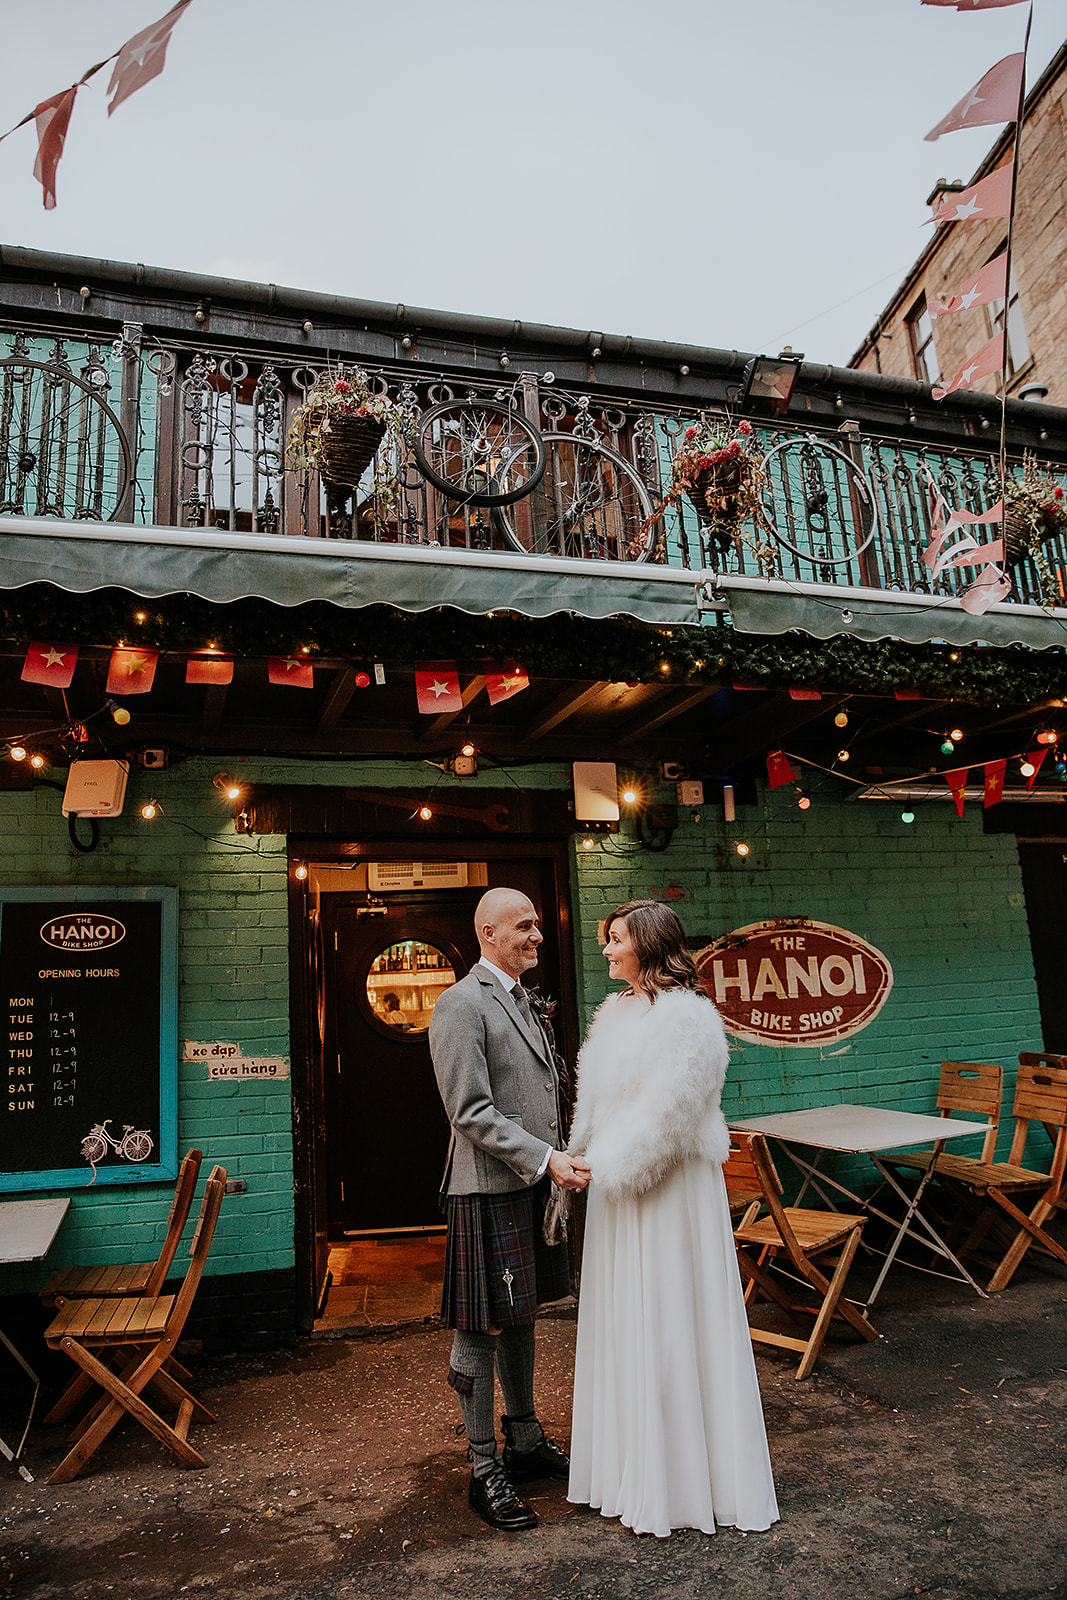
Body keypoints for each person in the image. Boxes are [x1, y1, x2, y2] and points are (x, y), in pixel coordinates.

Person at [566, 900, 779, 1539]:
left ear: (650, 946)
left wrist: (607, 1165)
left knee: (669, 1317)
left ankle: (686, 1484)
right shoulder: (617, 1012)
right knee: (629, 1318)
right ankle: (626, 1472)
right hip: (615, 1185)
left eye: (617, 940)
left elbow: (671, 1115)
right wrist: (581, 1155)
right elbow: (598, 1099)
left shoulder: (689, 1018)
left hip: (666, 1188)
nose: (606, 950)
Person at [429, 887, 591, 1532]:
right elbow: (468, 1111)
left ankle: (523, 1440)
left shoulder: (523, 1000)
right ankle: (483, 1467)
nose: (537, 935)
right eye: (524, 926)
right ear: (489, 934)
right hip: (488, 1188)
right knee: (482, 1326)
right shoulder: (459, 1004)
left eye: (536, 923)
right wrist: (545, 1158)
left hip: (530, 1183)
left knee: (521, 1315)